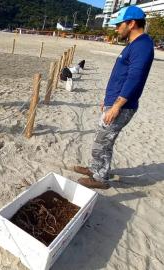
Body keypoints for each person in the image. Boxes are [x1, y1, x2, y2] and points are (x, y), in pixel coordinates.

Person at [74, 6, 154, 189]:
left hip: (123, 106)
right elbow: (122, 75)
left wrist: (117, 105)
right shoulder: (135, 44)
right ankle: (96, 168)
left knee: (103, 141)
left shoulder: (142, 45)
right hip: (116, 102)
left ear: (131, 23)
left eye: (119, 25)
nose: (116, 29)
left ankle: (100, 178)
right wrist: (108, 100)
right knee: (102, 138)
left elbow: (135, 77)